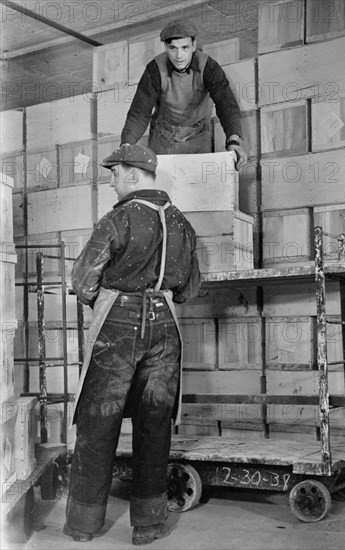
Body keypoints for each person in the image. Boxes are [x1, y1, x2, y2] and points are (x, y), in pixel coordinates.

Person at [64, 144, 201, 546]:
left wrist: (105, 301)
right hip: (166, 329)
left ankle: (84, 525)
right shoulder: (182, 224)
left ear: (133, 174)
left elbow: (82, 280)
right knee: (155, 424)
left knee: (98, 422)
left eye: (114, 172)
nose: (110, 180)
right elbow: (190, 288)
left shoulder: (119, 219)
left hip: (118, 328)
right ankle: (149, 524)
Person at [120, 19, 247, 170]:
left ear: (194, 45)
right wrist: (126, 144)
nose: (179, 55)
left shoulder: (209, 67)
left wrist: (233, 141)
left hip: (198, 137)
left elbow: (226, 104)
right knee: (163, 187)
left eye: (184, 47)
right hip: (163, 138)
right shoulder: (155, 69)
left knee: (197, 186)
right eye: (173, 48)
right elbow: (140, 112)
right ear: (166, 47)